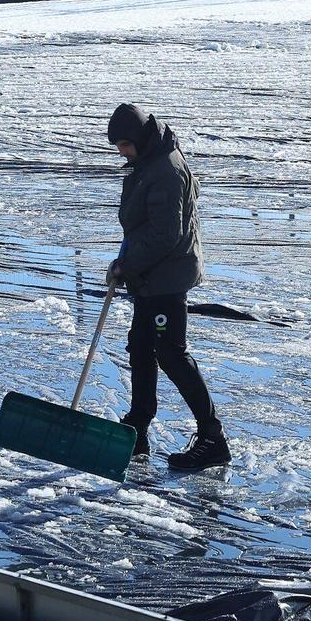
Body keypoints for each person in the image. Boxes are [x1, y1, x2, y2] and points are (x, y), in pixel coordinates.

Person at [106, 105, 229, 473]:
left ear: (141, 139)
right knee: (141, 347)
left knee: (171, 354)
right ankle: (137, 429)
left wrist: (127, 266)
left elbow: (165, 235)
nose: (121, 152)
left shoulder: (165, 171)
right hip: (150, 277)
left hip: (166, 278)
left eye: (125, 144)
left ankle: (212, 438)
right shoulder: (151, 162)